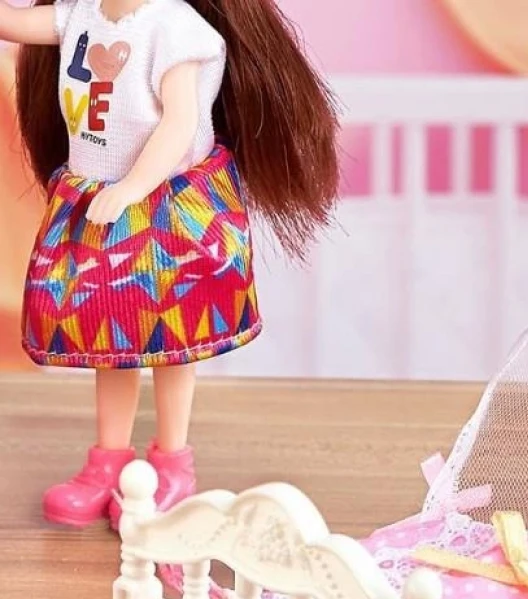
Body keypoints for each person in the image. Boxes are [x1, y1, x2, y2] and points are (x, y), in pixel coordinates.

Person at [2, 0, 340, 527]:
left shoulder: (175, 27)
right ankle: (108, 461)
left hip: (168, 209)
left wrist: (132, 187)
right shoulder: (82, 15)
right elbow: (15, 23)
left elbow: (180, 123)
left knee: (174, 341)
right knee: (111, 341)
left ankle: (172, 462)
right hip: (102, 203)